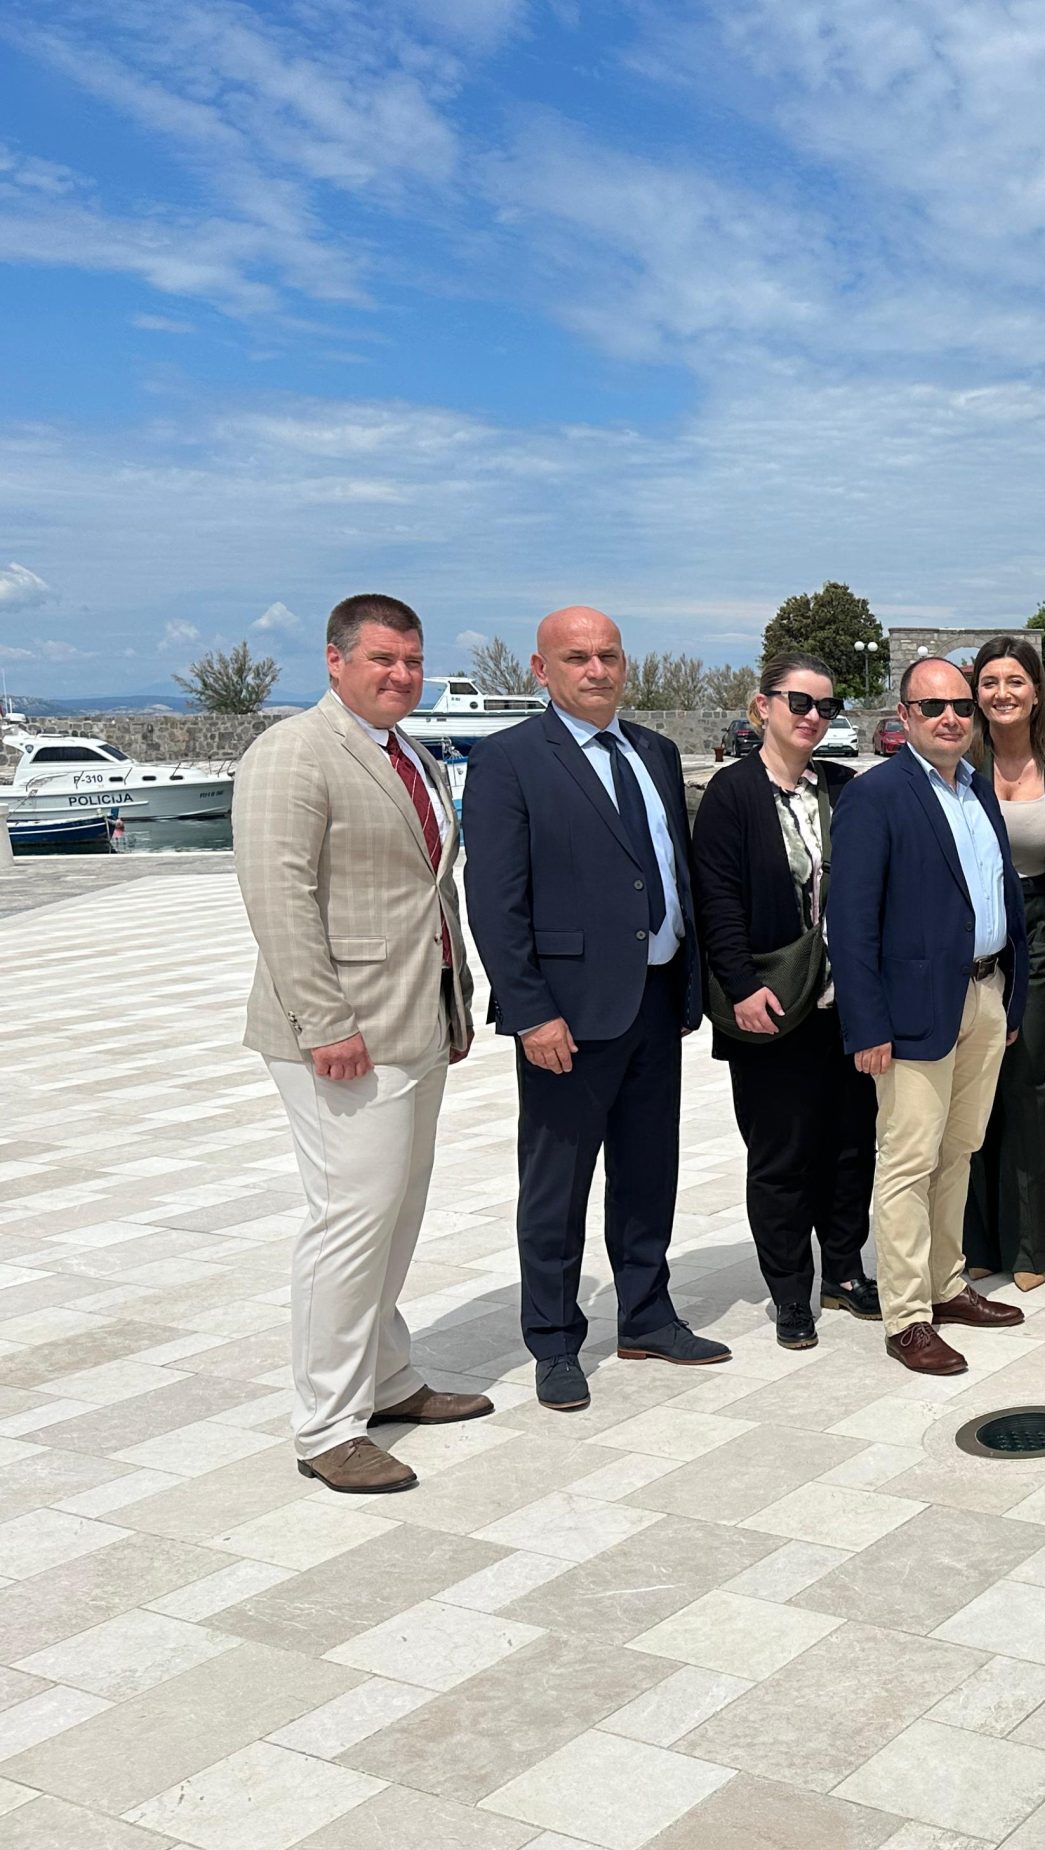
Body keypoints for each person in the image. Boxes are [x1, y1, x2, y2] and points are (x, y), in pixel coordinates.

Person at [234, 593, 489, 1494]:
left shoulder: (411, 754)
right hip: (343, 1033)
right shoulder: (294, 752)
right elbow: (278, 896)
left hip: (415, 1020)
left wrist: (454, 1005)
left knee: (396, 1211)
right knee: (349, 1221)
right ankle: (327, 1426)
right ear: (335, 660)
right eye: (383, 659)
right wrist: (325, 1022)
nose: (402, 675)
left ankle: (385, 1377)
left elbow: (428, 893)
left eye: (413, 661)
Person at [464, 606, 731, 1412]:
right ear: (540, 670)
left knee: (649, 1172)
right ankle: (553, 1340)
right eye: (577, 657)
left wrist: (689, 984)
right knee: (557, 1186)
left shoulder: (652, 751)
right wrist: (530, 1011)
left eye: (608, 655)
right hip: (568, 1017)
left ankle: (646, 1315)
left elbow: (668, 871)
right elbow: (496, 901)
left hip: (654, 998)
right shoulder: (509, 760)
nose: (596, 670)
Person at [828, 658, 1031, 1377]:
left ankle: (947, 1284)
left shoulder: (977, 790)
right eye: (933, 706)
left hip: (985, 993)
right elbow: (851, 923)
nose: (950, 718)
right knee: (909, 1159)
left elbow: (1001, 895)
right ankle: (907, 1315)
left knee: (959, 1149)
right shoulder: (876, 795)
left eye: (961, 707)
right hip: (913, 1011)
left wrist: (1009, 998)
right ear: (905, 716)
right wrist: (867, 1026)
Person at [690, 654, 877, 1349]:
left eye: (826, 707)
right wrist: (740, 986)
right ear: (763, 705)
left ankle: (845, 1271)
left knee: (851, 1146)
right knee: (782, 1155)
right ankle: (790, 1291)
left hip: (842, 1005)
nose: (812, 717)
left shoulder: (844, 788)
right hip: (770, 1004)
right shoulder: (733, 793)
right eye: (799, 702)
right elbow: (716, 899)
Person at [963, 635, 1045, 1291]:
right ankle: (978, 1240)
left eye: (1015, 681)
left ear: (1037, 692)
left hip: (1036, 931)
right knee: (971, 1080)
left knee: (1029, 1078)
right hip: (969, 936)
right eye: (990, 682)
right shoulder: (958, 764)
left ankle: (1036, 1242)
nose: (1002, 693)